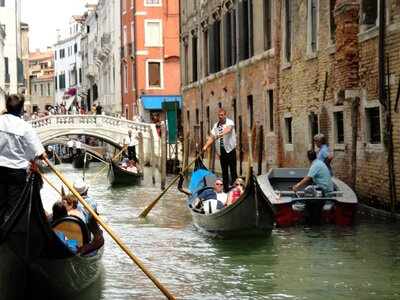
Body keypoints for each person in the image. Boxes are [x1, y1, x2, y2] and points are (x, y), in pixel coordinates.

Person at [0, 94, 47, 225]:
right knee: (14, 206)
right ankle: (10, 234)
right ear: (21, 109)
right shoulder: (25, 127)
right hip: (16, 172)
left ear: (7, 107)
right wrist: (42, 154)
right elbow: (39, 152)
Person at [202, 108, 237, 192]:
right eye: (219, 115)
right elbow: (211, 137)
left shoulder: (229, 122)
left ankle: (236, 188)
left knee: (233, 170)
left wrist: (221, 134)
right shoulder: (215, 126)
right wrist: (205, 146)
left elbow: (229, 129)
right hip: (222, 152)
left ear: (225, 115)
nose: (220, 117)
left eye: (221, 115)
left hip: (230, 150)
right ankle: (225, 189)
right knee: (224, 172)